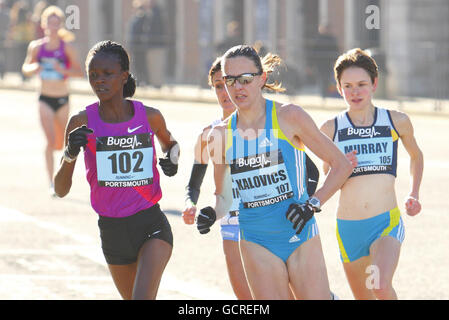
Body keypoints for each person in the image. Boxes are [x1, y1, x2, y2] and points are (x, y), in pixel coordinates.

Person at [197, 45, 352, 299]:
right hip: (255, 240)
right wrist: (211, 213)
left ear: (262, 79)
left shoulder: (288, 116)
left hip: (298, 232)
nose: (238, 88)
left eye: (246, 79)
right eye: (230, 81)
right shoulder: (220, 135)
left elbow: (342, 166)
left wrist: (312, 204)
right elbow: (224, 198)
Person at [53, 40, 179, 300]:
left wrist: (172, 161)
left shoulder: (150, 116)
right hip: (111, 232)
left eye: (107, 74)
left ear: (124, 77)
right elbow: (60, 190)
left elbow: (171, 145)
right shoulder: (81, 122)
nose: (99, 81)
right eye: (93, 76)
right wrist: (70, 153)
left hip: (150, 225)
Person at [320, 48, 424, 300]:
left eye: (362, 84)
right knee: (364, 297)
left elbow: (416, 156)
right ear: (339, 87)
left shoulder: (396, 121)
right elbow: (327, 176)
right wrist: (341, 167)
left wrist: (414, 193)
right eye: (348, 86)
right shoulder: (330, 128)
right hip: (348, 227)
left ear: (375, 83)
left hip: (385, 223)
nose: (355, 92)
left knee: (380, 286)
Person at [182, 57, 252, 300]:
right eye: (218, 85)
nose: (225, 92)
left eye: (228, 83)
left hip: (266, 218)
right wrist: (190, 204)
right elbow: (194, 184)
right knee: (246, 299)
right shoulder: (207, 135)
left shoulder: (264, 125)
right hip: (230, 218)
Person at [22, 5, 83, 195]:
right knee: (50, 141)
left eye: (57, 23)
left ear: (61, 25)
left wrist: (62, 69)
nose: (53, 26)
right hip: (45, 98)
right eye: (50, 22)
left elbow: (80, 72)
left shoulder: (68, 48)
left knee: (61, 143)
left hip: (62, 98)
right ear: (44, 25)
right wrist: (35, 69)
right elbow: (26, 68)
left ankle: (63, 178)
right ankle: (52, 183)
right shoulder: (37, 47)